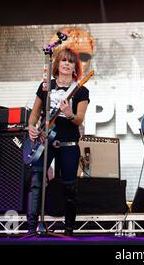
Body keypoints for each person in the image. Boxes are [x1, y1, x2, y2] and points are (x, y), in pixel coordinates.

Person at [26, 48, 89, 236]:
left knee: (69, 187)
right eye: (63, 60)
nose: (67, 64)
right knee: (36, 182)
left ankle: (69, 230)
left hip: (68, 143)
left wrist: (70, 115)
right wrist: (31, 127)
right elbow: (35, 114)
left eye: (71, 61)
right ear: (57, 64)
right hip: (44, 140)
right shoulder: (46, 86)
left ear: (75, 67)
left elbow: (79, 119)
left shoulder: (81, 90)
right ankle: (31, 228)